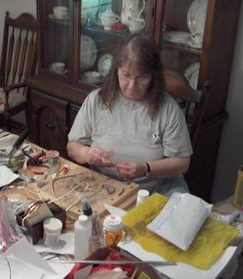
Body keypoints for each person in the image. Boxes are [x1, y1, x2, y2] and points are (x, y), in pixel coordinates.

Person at [67, 33, 192, 196]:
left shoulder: (168, 108)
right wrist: (86, 154)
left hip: (155, 189)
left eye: (142, 78)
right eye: (126, 75)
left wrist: (146, 168)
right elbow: (72, 147)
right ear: (116, 71)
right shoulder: (97, 100)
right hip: (104, 186)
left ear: (153, 77)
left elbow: (182, 163)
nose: (132, 85)